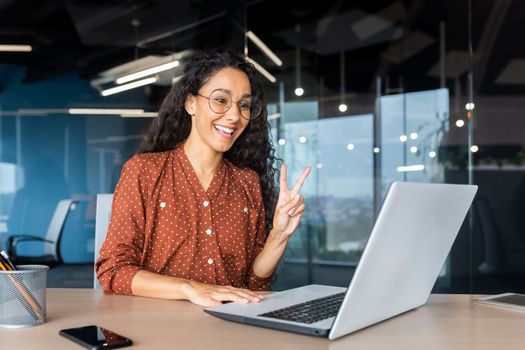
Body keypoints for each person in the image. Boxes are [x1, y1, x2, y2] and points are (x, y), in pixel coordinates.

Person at [96, 48, 311, 307]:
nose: (234, 116)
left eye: (244, 105)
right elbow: (113, 271)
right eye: (221, 100)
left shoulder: (247, 182)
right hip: (155, 328)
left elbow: (255, 283)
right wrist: (191, 289)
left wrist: (279, 235)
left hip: (227, 328)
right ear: (190, 103)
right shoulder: (144, 171)